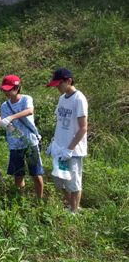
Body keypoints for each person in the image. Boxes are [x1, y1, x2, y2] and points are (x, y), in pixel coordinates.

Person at [46, 68, 88, 213]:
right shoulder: (62, 98)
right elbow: (60, 122)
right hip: (59, 148)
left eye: (59, 84)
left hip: (73, 151)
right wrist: (54, 143)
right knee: (60, 182)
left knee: (73, 183)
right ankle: (73, 206)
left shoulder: (79, 99)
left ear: (68, 81)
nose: (57, 87)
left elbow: (83, 128)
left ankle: (74, 212)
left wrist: (70, 149)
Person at [0, 75, 44, 199]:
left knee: (36, 173)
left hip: (30, 142)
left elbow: (30, 111)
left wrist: (11, 117)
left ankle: (40, 200)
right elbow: (9, 126)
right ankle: (21, 199)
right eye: (4, 90)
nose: (6, 92)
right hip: (15, 144)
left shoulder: (26, 99)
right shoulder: (4, 106)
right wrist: (8, 125)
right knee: (18, 174)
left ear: (17, 88)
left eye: (9, 89)